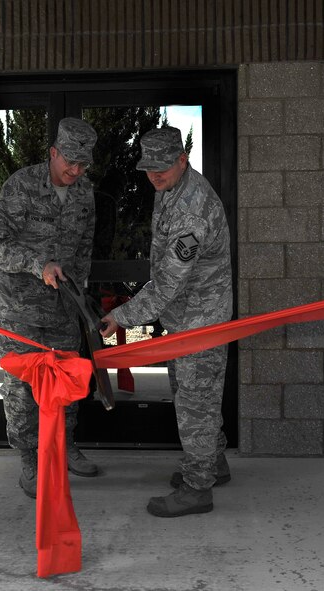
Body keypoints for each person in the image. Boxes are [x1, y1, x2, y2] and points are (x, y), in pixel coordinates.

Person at [100, 126, 233, 517]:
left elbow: (168, 285)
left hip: (200, 322)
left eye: (162, 167)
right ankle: (214, 465)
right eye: (148, 168)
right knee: (197, 397)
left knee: (196, 405)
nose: (153, 175)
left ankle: (197, 489)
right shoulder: (170, 189)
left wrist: (120, 316)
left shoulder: (192, 210)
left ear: (182, 159)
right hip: (186, 318)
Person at [0, 117, 100, 498]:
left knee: (67, 384)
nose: (75, 170)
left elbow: (84, 249)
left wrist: (80, 295)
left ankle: (65, 448)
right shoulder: (21, 185)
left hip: (62, 309)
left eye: (83, 164)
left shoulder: (84, 193)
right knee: (21, 390)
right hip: (16, 310)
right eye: (69, 161)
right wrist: (39, 264)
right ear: (53, 152)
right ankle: (30, 463)